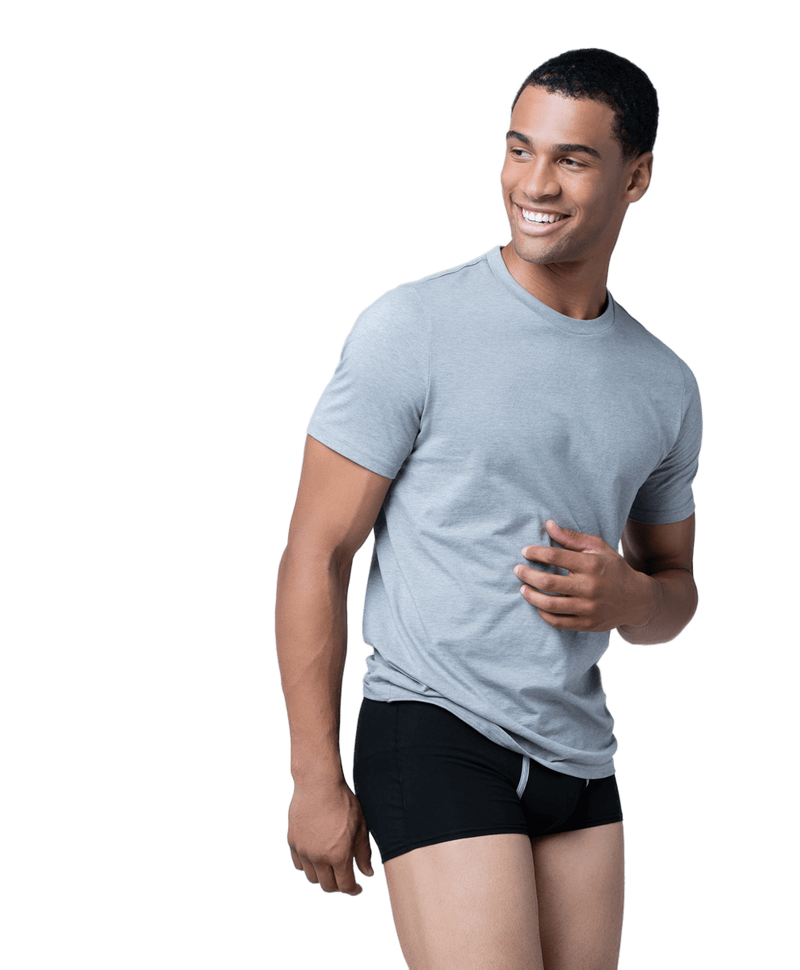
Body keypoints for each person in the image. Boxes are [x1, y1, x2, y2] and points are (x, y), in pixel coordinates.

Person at [275, 46, 703, 970]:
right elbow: (318, 551)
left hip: (579, 757)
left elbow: (675, 593)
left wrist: (630, 598)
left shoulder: (664, 384)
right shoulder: (412, 328)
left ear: (636, 177)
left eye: (571, 159)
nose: (533, 184)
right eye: (519, 149)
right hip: (435, 727)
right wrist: (314, 773)